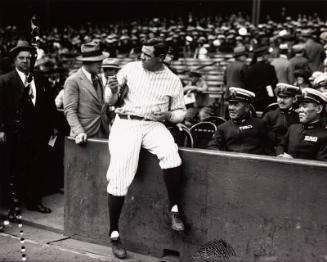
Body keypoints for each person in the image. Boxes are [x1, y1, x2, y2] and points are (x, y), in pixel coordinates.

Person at [104, 38, 186, 259]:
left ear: (161, 57)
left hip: (153, 124)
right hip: (126, 122)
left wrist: (169, 115)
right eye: (142, 52)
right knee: (120, 178)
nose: (141, 57)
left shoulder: (172, 79)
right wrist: (112, 91)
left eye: (147, 55)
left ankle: (174, 209)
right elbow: (110, 101)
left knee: (171, 154)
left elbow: (181, 112)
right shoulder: (130, 68)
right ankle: (113, 233)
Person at [0, 40, 58, 214]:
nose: (26, 61)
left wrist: (54, 125)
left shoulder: (39, 79)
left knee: (36, 168)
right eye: (21, 58)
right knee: (16, 170)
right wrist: (1, 129)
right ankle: (14, 205)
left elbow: (49, 105)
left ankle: (35, 201)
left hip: (38, 133)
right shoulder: (5, 80)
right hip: (15, 133)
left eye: (29, 58)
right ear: (14, 60)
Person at [63, 42, 110, 144]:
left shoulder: (99, 79)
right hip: (84, 136)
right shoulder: (73, 80)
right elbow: (70, 110)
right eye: (97, 61)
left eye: (101, 60)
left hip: (103, 132)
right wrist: (79, 132)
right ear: (87, 62)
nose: (100, 64)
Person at [207, 87, 273, 155]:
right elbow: (212, 147)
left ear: (247, 107)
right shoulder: (223, 128)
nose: (231, 108)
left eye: (236, 104)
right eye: (230, 104)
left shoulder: (260, 125)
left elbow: (272, 146)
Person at [276, 88, 327, 160]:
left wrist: (293, 161)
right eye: (300, 106)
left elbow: (321, 167)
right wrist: (280, 155)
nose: (300, 110)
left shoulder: (324, 135)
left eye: (304, 106)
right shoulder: (293, 128)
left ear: (318, 109)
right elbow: (281, 146)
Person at [245, 46, 278, 111]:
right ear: (263, 56)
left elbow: (247, 84)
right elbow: (274, 82)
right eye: (267, 55)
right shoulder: (270, 67)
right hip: (268, 96)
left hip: (254, 97)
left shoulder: (250, 69)